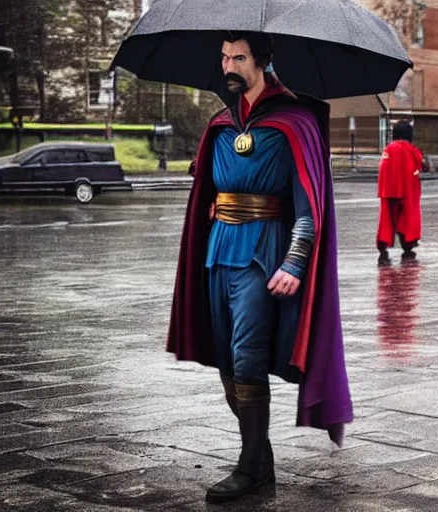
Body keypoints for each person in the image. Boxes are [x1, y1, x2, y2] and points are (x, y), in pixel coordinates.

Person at [167, 31, 353, 504]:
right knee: (226, 359)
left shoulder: (294, 121)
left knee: (248, 357)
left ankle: (249, 467)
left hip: (263, 253)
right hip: (218, 249)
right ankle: (260, 456)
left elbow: (309, 204)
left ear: (264, 62)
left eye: (239, 57)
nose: (228, 65)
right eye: (224, 57)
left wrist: (294, 261)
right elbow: (209, 189)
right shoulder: (220, 125)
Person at [376, 121, 424, 265]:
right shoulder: (412, 150)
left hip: (389, 191)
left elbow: (383, 169)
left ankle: (383, 247)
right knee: (407, 220)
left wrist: (383, 189)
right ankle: (408, 246)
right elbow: (418, 166)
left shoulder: (389, 149)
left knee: (387, 220)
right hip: (408, 191)